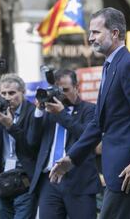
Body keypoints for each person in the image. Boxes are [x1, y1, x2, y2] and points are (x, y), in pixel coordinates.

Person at [49, 7, 130, 219]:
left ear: (115, 33)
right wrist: (71, 158)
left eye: (96, 32)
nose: (90, 38)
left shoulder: (129, 65)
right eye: (90, 32)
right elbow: (98, 123)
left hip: (127, 171)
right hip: (121, 169)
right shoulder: (111, 65)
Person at [28, 69, 101, 219]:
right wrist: (39, 111)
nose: (61, 94)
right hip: (50, 180)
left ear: (77, 87)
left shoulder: (90, 109)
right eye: (57, 90)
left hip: (79, 180)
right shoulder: (47, 111)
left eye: (65, 90)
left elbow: (87, 137)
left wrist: (62, 114)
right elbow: (31, 141)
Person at [0, 73, 37, 219]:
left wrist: (10, 125)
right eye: (3, 93)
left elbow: (31, 146)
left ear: (23, 93)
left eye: (12, 93)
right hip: (3, 177)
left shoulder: (32, 112)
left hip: (25, 179)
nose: (7, 97)